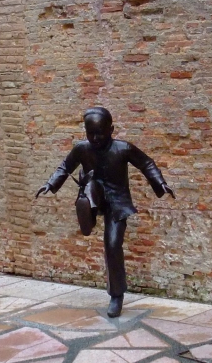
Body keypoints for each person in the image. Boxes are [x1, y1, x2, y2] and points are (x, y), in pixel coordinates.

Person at [36, 107, 174, 318]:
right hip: (95, 196)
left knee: (112, 244)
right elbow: (65, 167)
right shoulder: (82, 149)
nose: (95, 138)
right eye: (90, 133)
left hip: (117, 204)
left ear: (111, 129)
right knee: (90, 187)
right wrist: (50, 184)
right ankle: (88, 213)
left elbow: (146, 163)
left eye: (99, 133)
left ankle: (116, 295)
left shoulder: (123, 148)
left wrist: (160, 183)